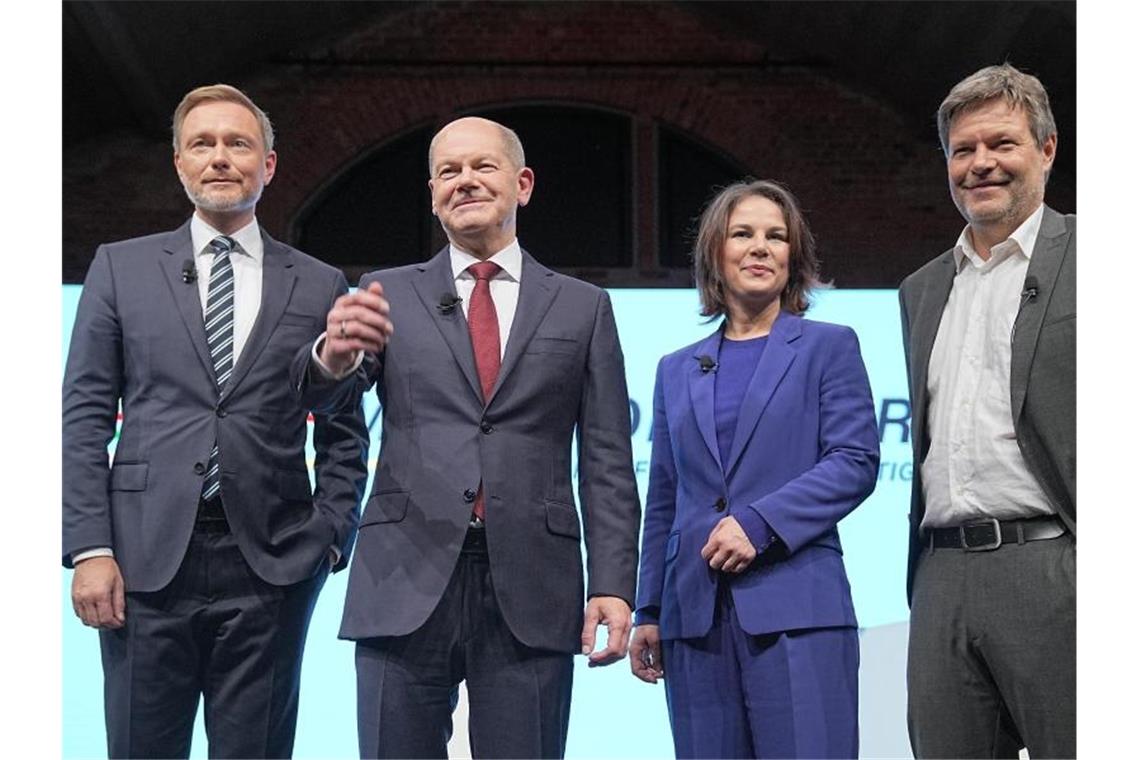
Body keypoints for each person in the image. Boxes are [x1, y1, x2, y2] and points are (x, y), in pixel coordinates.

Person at [304, 116, 641, 758]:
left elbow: (606, 460)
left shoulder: (581, 305)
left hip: (533, 583)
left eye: (482, 167)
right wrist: (334, 357)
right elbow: (329, 397)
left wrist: (614, 583)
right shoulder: (388, 292)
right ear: (432, 194)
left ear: (523, 184)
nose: (465, 182)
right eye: (448, 172)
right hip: (404, 574)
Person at [63, 84, 370, 758]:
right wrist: (90, 550)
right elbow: (85, 416)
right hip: (142, 563)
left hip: (272, 565)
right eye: (203, 144)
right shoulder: (120, 268)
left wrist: (329, 536)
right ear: (179, 163)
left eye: (239, 143)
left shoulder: (319, 283)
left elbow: (344, 429)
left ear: (269, 166)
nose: (221, 157)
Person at [629, 179, 880, 758]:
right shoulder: (675, 369)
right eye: (743, 234)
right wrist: (650, 608)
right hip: (694, 620)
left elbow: (855, 461)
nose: (760, 247)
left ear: (795, 256)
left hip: (799, 613)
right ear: (716, 252)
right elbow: (665, 495)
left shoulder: (829, 346)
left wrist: (759, 524)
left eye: (776, 236)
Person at [898, 63, 1075, 758]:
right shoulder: (920, 289)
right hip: (941, 573)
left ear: (1047, 148)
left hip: (1055, 563)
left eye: (1001, 143)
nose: (981, 164)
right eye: (963, 150)